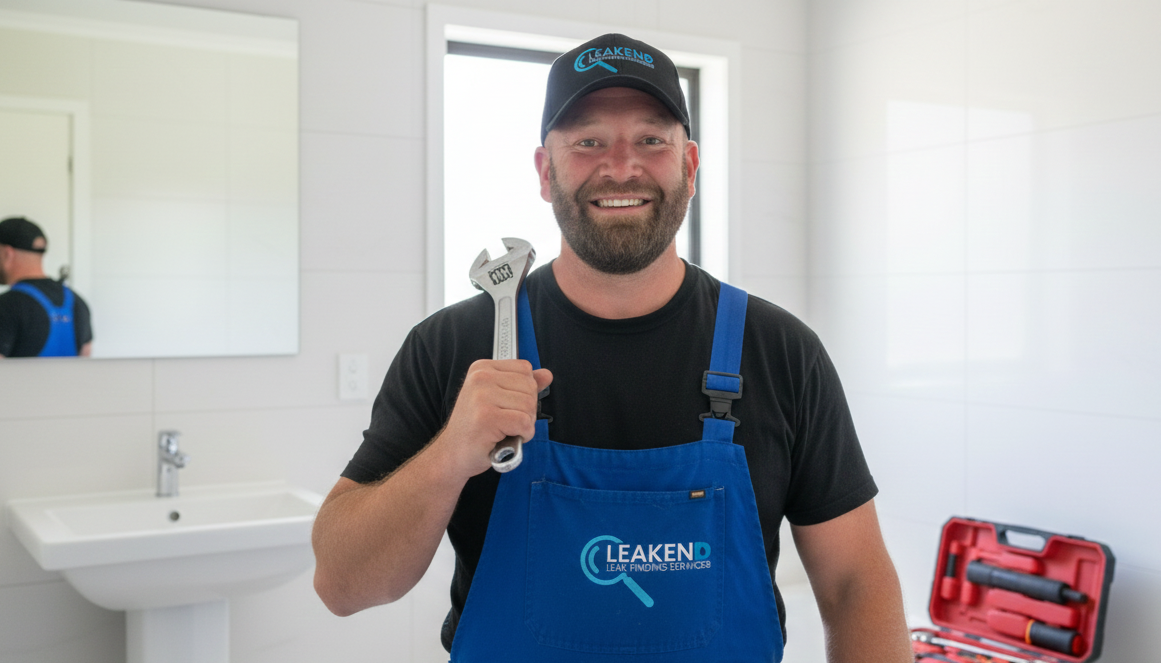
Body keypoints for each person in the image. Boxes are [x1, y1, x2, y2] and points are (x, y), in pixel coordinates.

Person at [313, 33, 911, 662]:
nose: (621, 166)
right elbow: (344, 586)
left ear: (690, 166)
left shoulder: (781, 351)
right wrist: (450, 455)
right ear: (546, 172)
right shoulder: (453, 347)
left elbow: (855, 585)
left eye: (651, 140)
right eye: (588, 141)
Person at [0, 216, 92, 358]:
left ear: (7, 254)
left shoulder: (6, 306)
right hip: (71, 381)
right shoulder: (78, 302)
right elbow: (85, 360)